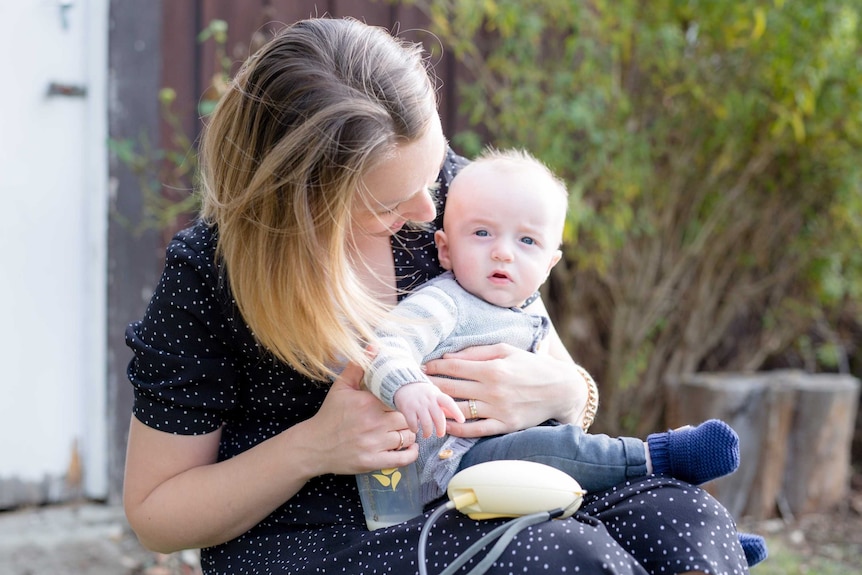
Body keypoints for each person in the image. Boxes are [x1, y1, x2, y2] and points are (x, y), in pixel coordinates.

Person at [123, 17, 761, 575]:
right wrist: (312, 446)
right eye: (387, 204)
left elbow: (552, 362)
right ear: (302, 201)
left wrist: (565, 393)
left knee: (688, 519)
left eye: (432, 174)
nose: (430, 209)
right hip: (320, 535)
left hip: (486, 478)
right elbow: (157, 514)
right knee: (569, 559)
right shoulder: (209, 278)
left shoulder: (454, 198)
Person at [363, 148, 742, 500]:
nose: (503, 251)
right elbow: (382, 347)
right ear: (445, 249)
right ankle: (655, 458)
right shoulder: (445, 302)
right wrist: (407, 388)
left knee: (573, 468)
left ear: (548, 265)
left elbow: (573, 392)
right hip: (452, 463)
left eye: (527, 240)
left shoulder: (529, 309)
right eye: (482, 233)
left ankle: (682, 525)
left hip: (515, 455)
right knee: (560, 451)